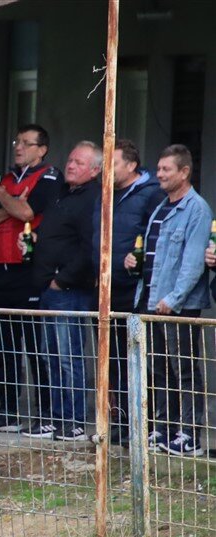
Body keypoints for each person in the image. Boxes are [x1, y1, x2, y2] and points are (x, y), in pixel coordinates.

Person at [0, 124, 63, 432]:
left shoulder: (49, 177)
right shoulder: (5, 180)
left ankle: (45, 414)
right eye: (16, 141)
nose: (18, 147)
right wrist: (10, 201)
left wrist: (4, 199)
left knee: (36, 348)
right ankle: (7, 410)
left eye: (26, 143)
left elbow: (27, 213)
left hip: (29, 270)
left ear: (42, 149)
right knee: (2, 346)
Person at [124, 144, 212, 457]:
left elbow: (192, 264)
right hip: (150, 298)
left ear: (184, 172)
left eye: (166, 170)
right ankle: (163, 428)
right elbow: (152, 253)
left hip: (178, 305)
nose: (159, 174)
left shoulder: (197, 209)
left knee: (184, 370)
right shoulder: (161, 207)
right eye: (159, 169)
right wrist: (132, 263)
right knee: (158, 368)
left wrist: (173, 299)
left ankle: (189, 435)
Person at [19, 141, 102, 441]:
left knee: (69, 357)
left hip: (69, 290)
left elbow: (88, 247)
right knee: (50, 356)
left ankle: (76, 421)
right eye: (69, 159)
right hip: (48, 287)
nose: (70, 165)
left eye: (79, 162)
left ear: (94, 170)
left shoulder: (93, 198)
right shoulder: (62, 194)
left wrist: (63, 280)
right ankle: (55, 419)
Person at [92, 139, 165, 446]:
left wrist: (136, 260)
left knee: (138, 359)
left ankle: (143, 424)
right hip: (105, 288)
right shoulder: (105, 192)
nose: (106, 169)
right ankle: (119, 422)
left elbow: (154, 237)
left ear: (132, 165)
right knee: (112, 361)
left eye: (114, 163)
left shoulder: (150, 195)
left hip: (134, 290)